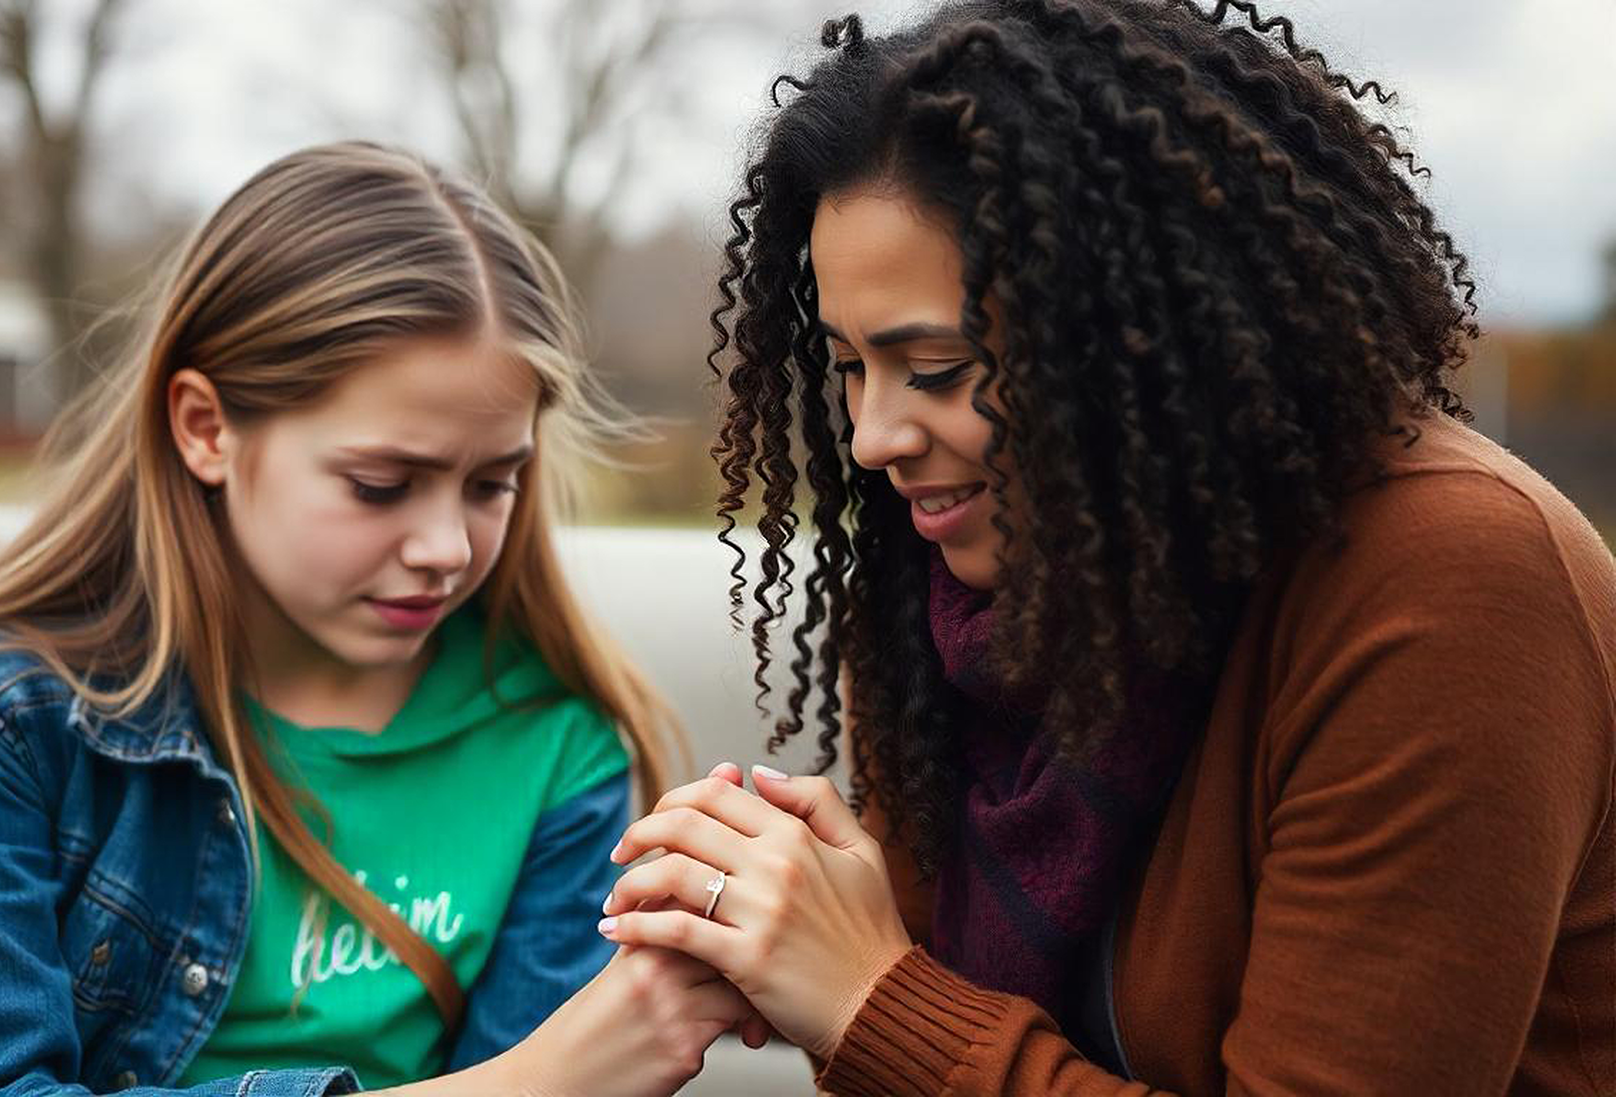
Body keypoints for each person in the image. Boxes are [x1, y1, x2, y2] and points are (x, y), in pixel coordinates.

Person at [599, 4, 1616, 1094]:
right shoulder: (950, 588)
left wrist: (867, 994)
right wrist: (782, 916)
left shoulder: (1451, 580)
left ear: (1133, 334)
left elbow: (898, 1017)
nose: (874, 437)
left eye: (935, 367)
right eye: (848, 365)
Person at [0, 142, 753, 1097]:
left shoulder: (557, 753)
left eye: (490, 482)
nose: (447, 547)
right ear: (206, 429)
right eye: (382, 484)